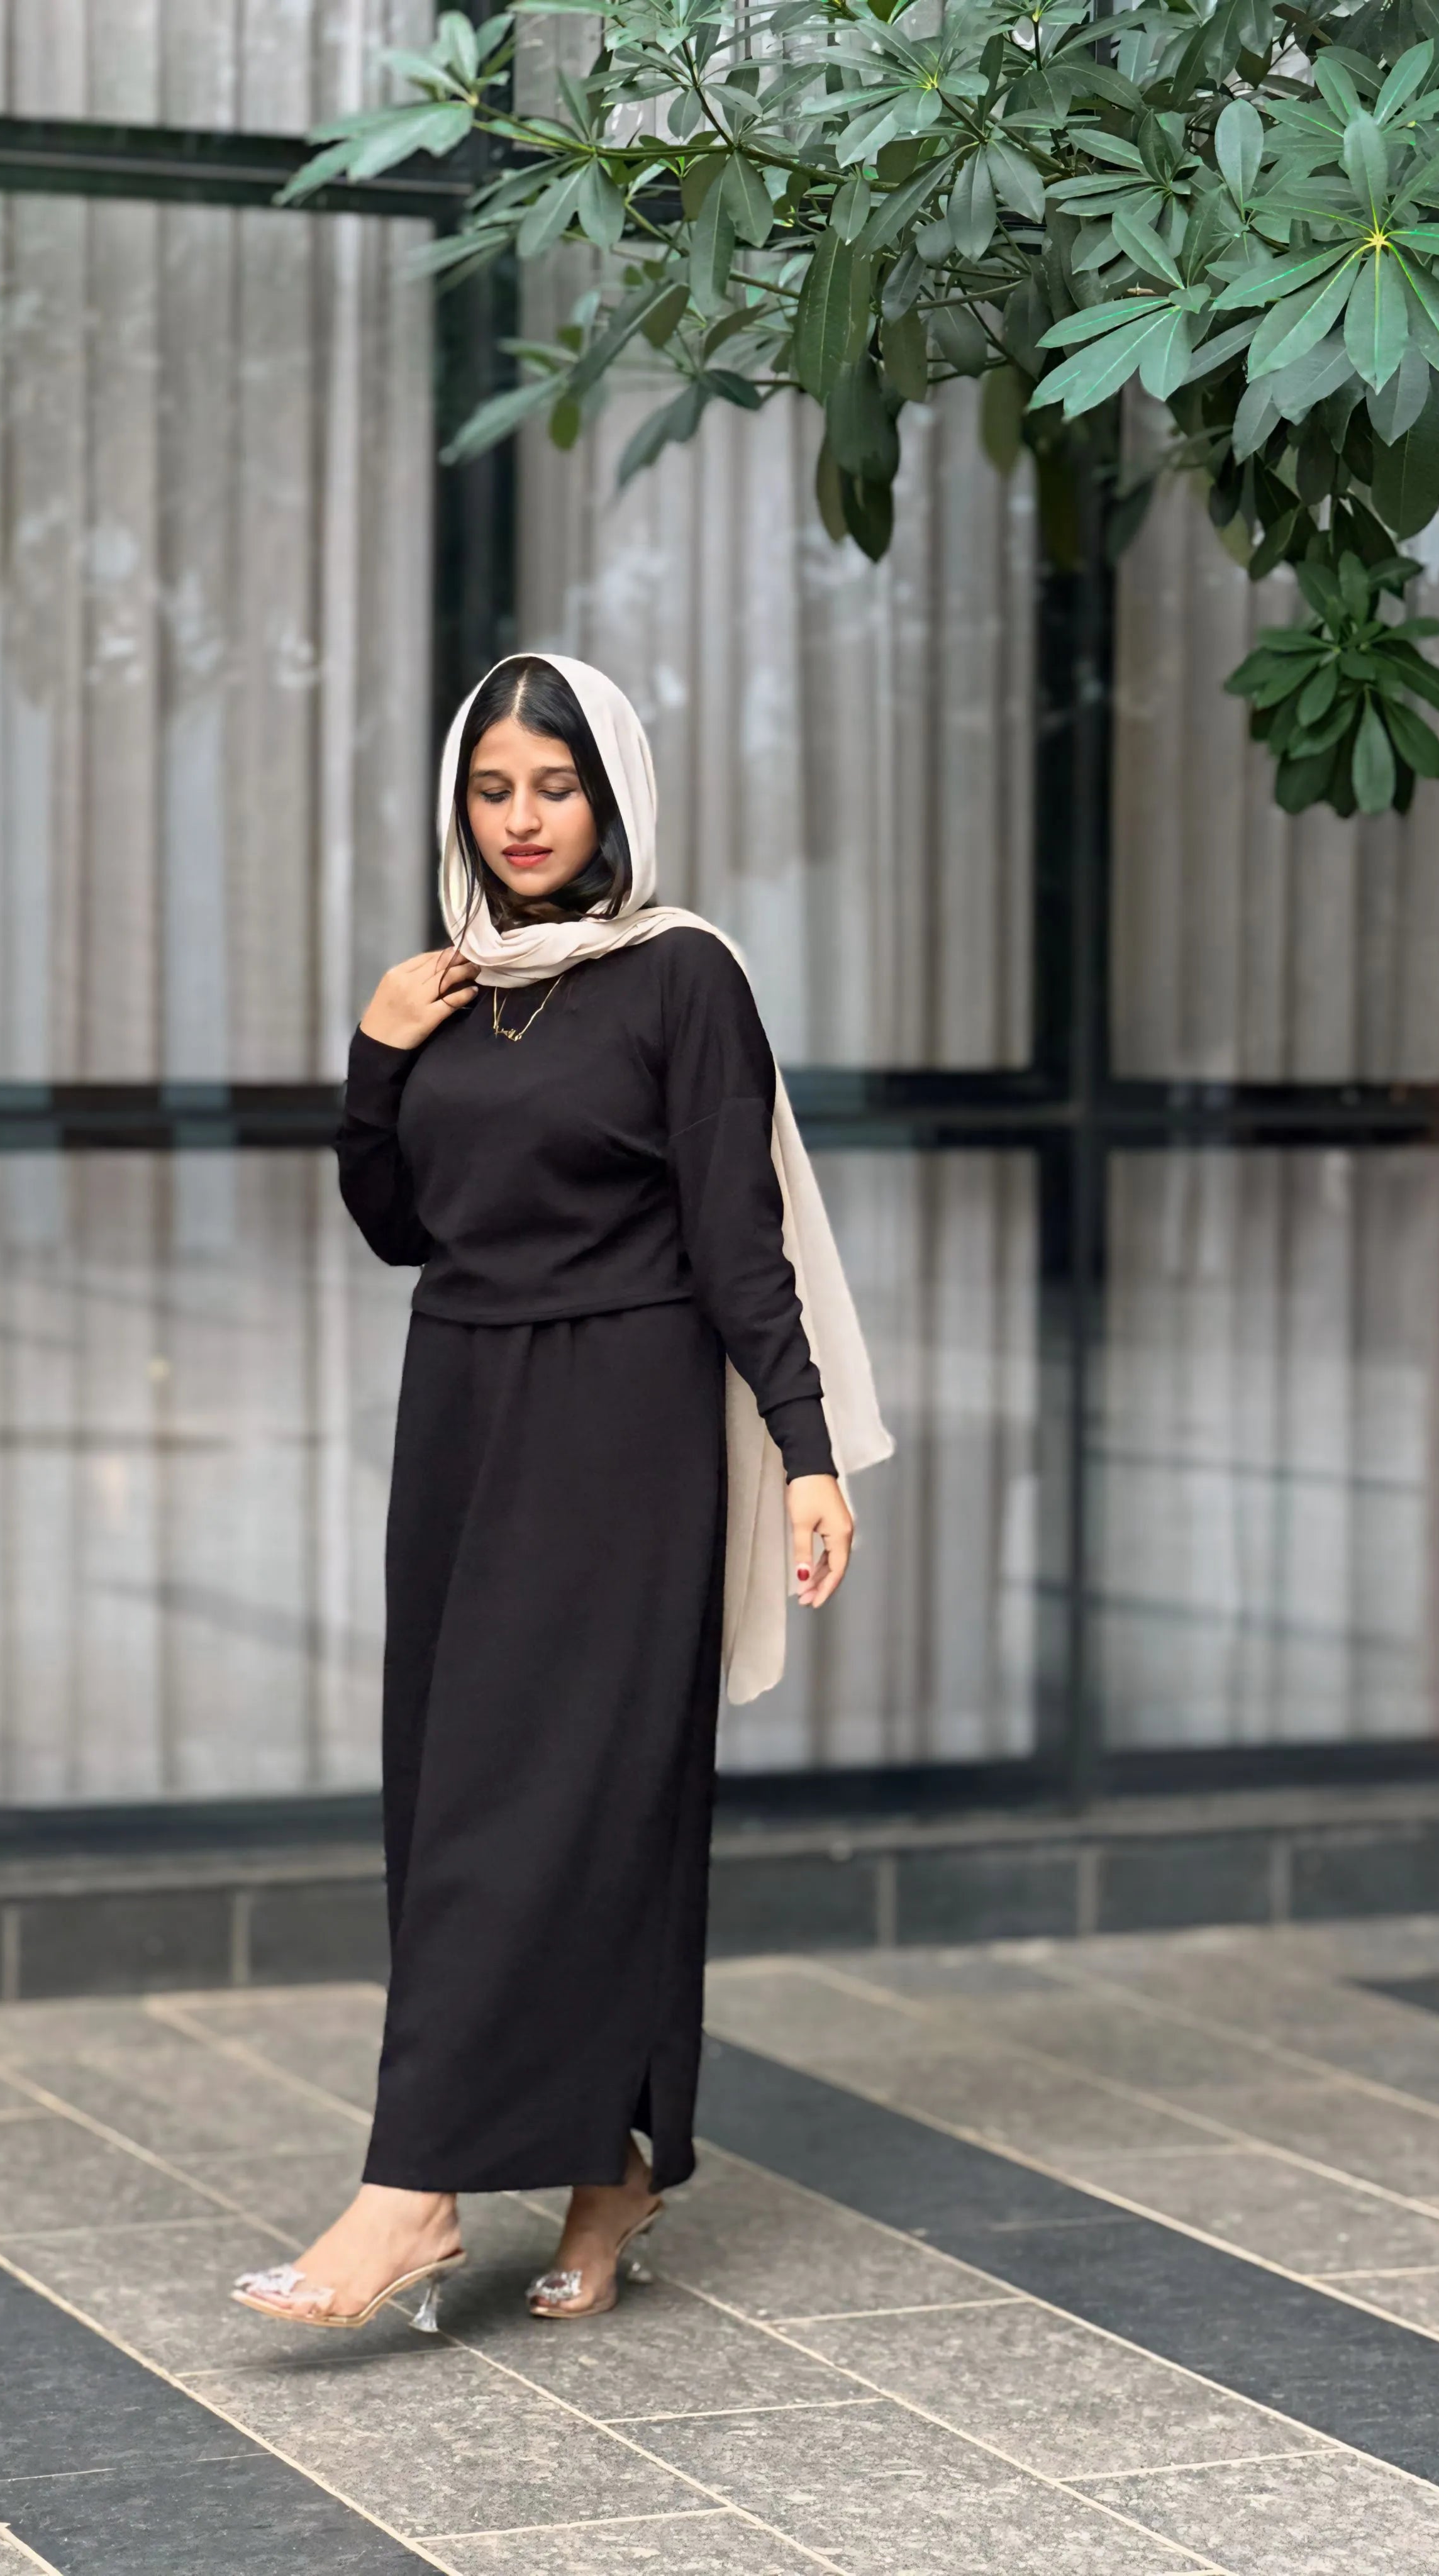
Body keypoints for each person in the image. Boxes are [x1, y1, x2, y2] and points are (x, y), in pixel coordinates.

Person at [232, 653, 889, 2333]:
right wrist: (374, 1060)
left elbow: (742, 1243)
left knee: (564, 1793)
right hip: (460, 1404)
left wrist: (806, 1451)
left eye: (557, 787)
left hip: (625, 1424)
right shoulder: (448, 987)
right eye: (493, 790)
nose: (523, 822)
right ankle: (615, 2164)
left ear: (616, 799)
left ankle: (413, 2192)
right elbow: (398, 1220)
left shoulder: (682, 979)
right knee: (463, 1789)